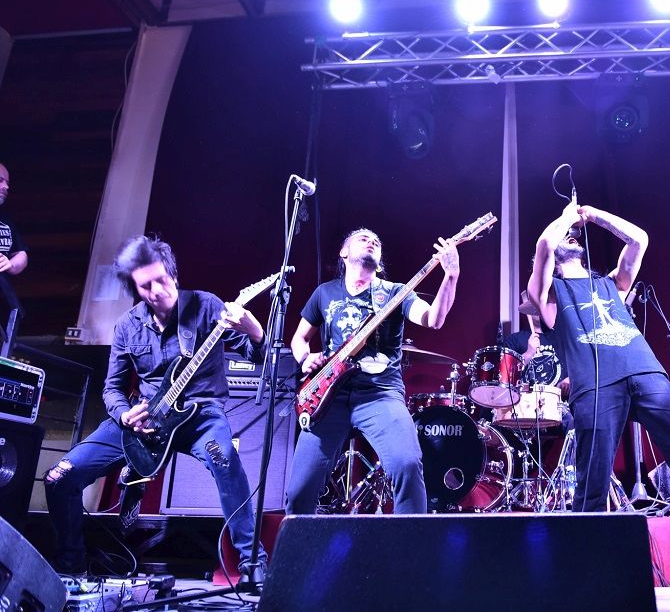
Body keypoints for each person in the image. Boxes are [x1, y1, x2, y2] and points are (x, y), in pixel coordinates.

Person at [527, 201, 670, 608]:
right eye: (564, 236)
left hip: (645, 373)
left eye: (572, 235)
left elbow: (638, 239)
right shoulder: (548, 295)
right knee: (591, 488)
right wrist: (565, 219)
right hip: (595, 386)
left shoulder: (613, 284)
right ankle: (583, 586)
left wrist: (593, 215)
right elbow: (543, 245)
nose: (569, 237)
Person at [44, 236, 269, 582]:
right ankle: (71, 571)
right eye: (145, 286)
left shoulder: (206, 306)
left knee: (226, 460)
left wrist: (254, 331)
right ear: (135, 289)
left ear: (174, 275)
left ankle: (254, 565)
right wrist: (124, 415)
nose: (157, 291)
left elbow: (258, 356)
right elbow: (112, 388)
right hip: (144, 419)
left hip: (200, 417)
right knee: (59, 478)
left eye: (161, 280)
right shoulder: (127, 326)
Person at [286, 228, 459, 515]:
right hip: (329, 398)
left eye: (376, 240)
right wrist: (305, 358)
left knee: (406, 464)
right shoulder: (324, 293)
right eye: (362, 238)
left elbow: (433, 319)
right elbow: (299, 339)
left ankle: (412, 542)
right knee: (299, 491)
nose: (371, 241)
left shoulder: (396, 292)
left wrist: (450, 276)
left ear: (379, 261)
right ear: (344, 253)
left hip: (380, 394)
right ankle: (300, 543)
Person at [0, 162, 29, 336]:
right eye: (0, 180)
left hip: (5, 303)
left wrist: (10, 264)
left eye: (7, 182)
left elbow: (21, 253)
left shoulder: (5, 219)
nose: (6, 187)